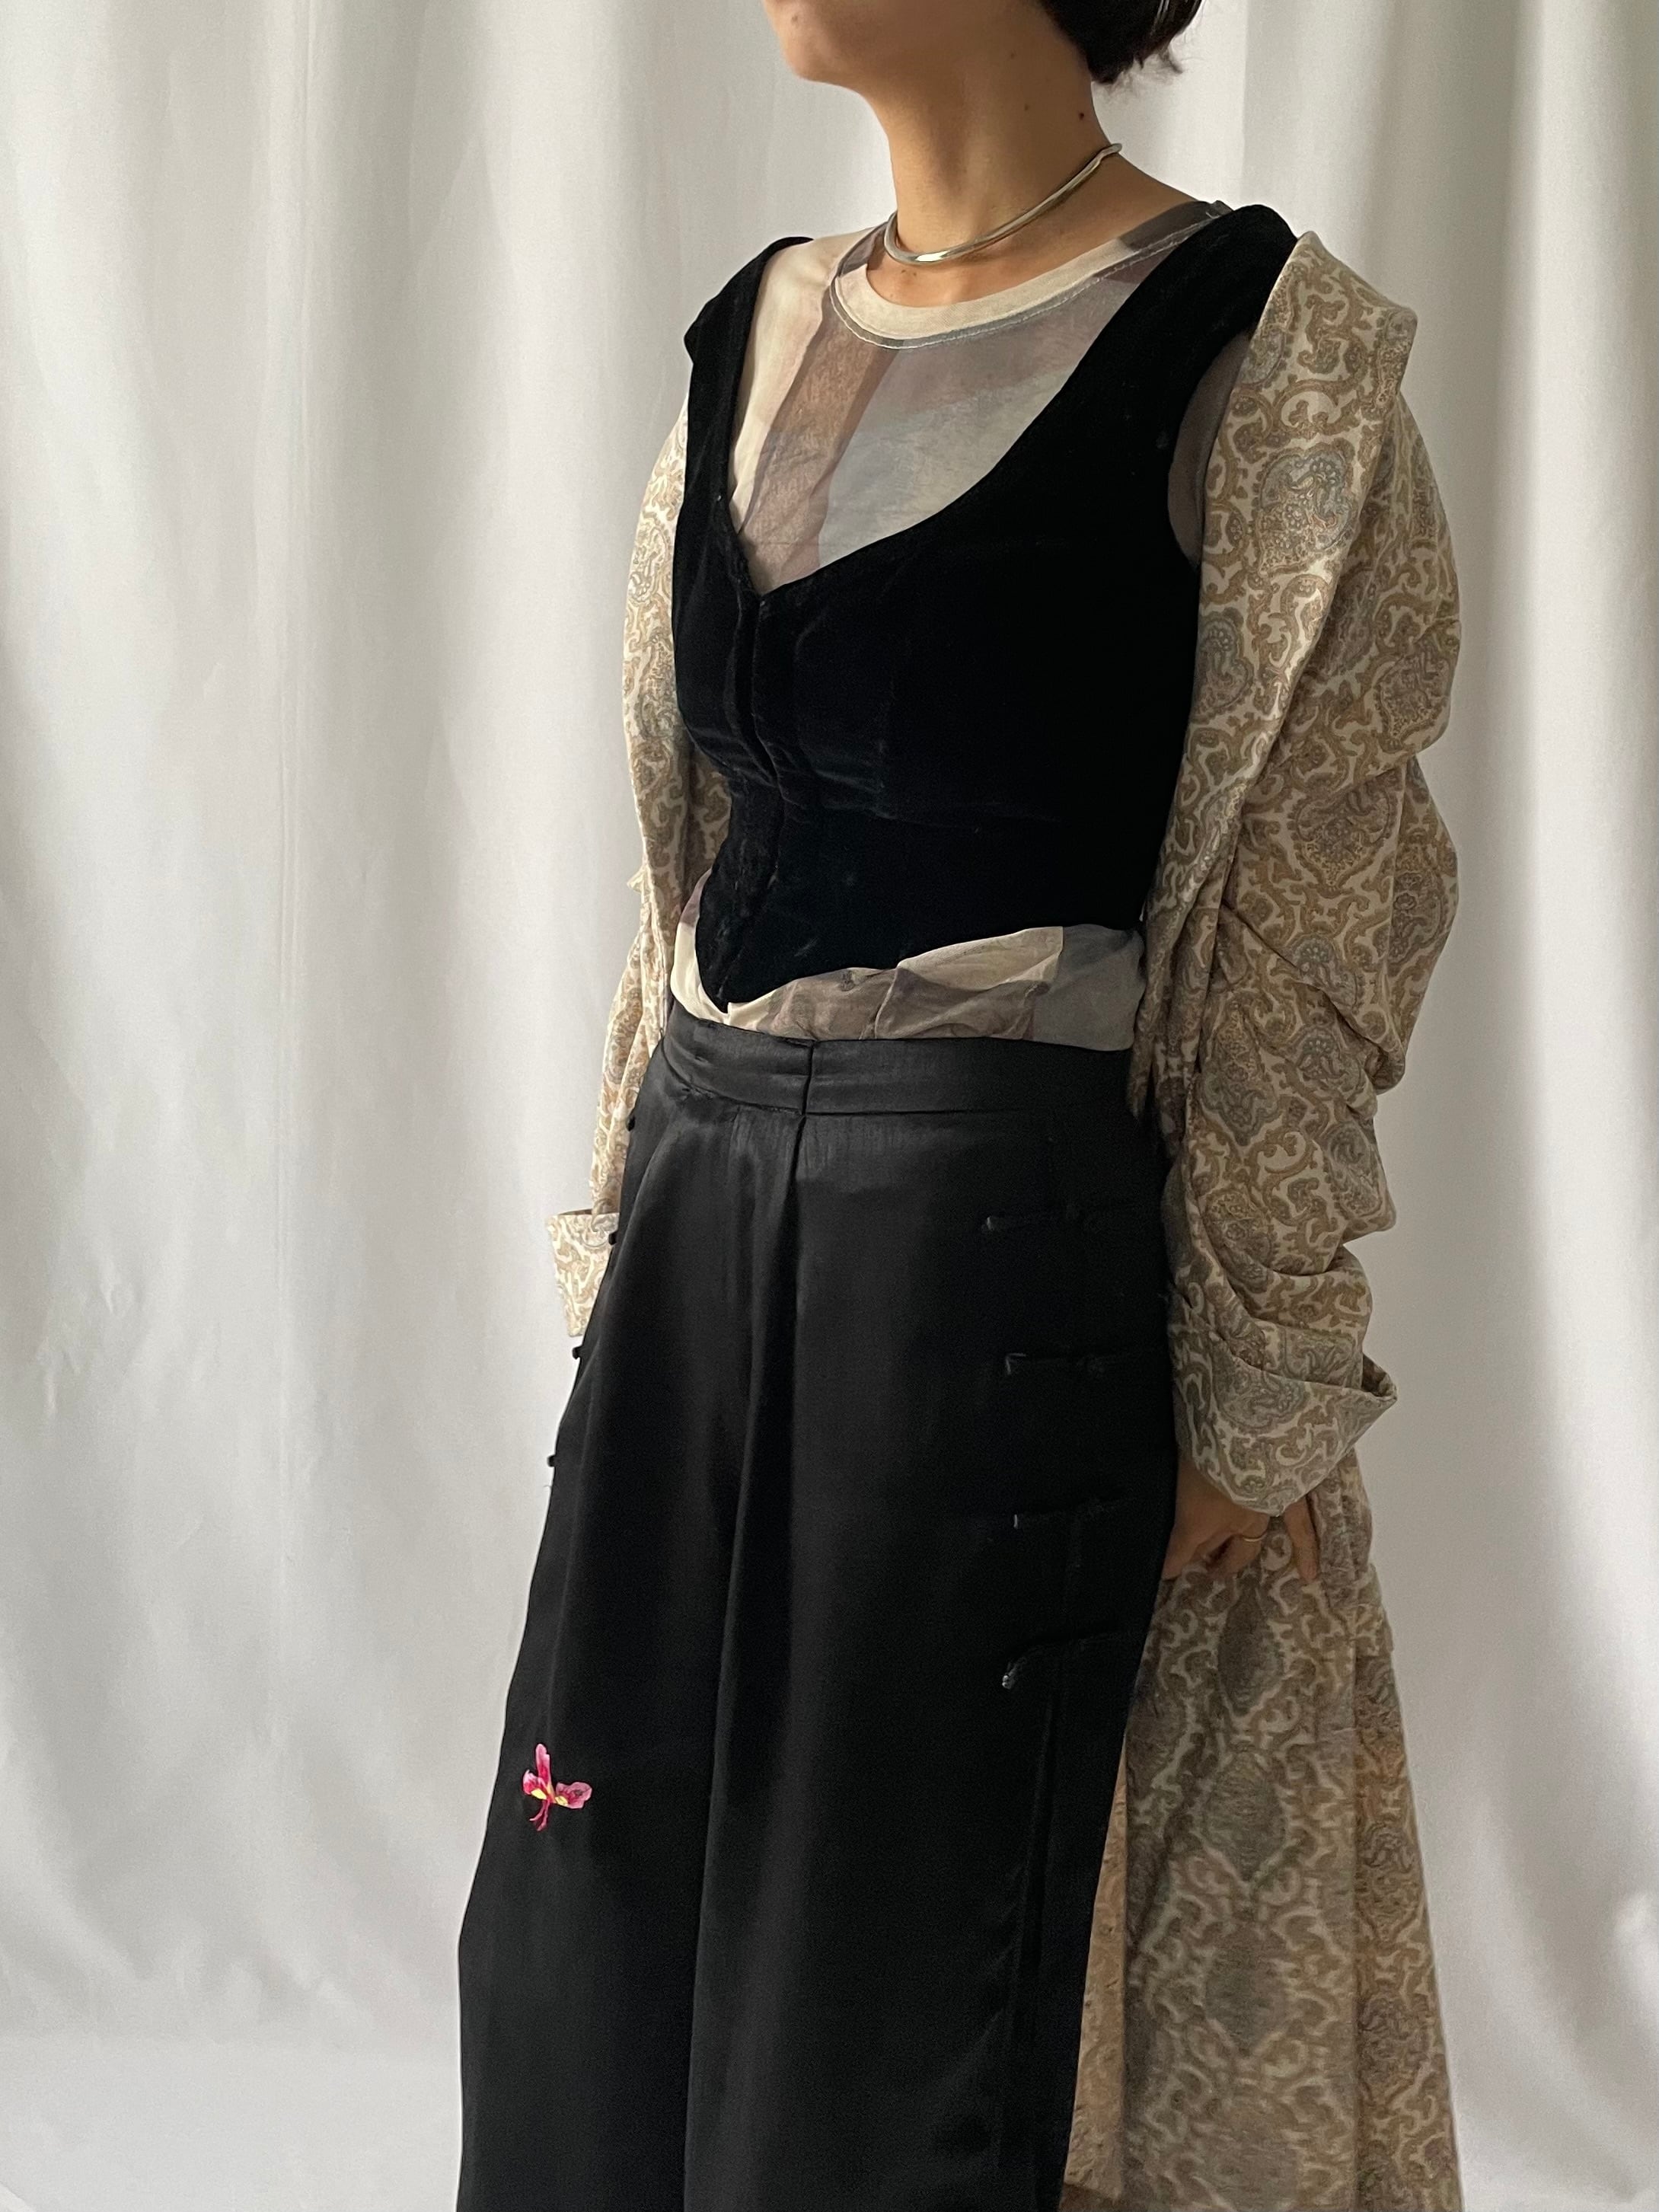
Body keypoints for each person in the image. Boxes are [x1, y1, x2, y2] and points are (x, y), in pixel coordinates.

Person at [456, 2, 1464, 2207]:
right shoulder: (756, 330)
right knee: (587, 1928)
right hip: (702, 1228)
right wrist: (624, 1227)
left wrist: (1259, 1370)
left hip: (987, 1278)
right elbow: (680, 858)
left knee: (901, 1988)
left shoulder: (1261, 355)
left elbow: (1311, 908)